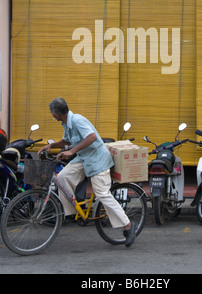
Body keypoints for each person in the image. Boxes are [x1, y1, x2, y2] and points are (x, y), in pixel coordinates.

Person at [38, 97, 136, 248]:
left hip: (98, 160)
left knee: (102, 194)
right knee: (63, 176)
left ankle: (128, 225)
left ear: (57, 114)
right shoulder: (66, 123)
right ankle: (72, 212)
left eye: (52, 113)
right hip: (84, 159)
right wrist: (52, 145)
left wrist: (71, 151)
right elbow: (67, 141)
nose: (52, 116)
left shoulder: (77, 120)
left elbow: (92, 137)